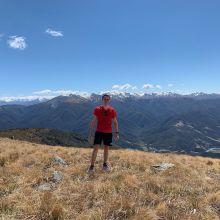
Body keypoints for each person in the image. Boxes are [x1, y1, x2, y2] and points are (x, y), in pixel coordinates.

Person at [88, 94, 119, 173]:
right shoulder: (97, 109)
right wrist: (91, 131)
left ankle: (105, 164)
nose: (106, 100)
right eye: (105, 99)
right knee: (95, 149)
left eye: (107, 99)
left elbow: (115, 122)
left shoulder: (112, 110)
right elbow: (94, 120)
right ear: (102, 100)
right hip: (99, 131)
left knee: (106, 148)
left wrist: (117, 133)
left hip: (108, 132)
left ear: (109, 100)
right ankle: (91, 166)